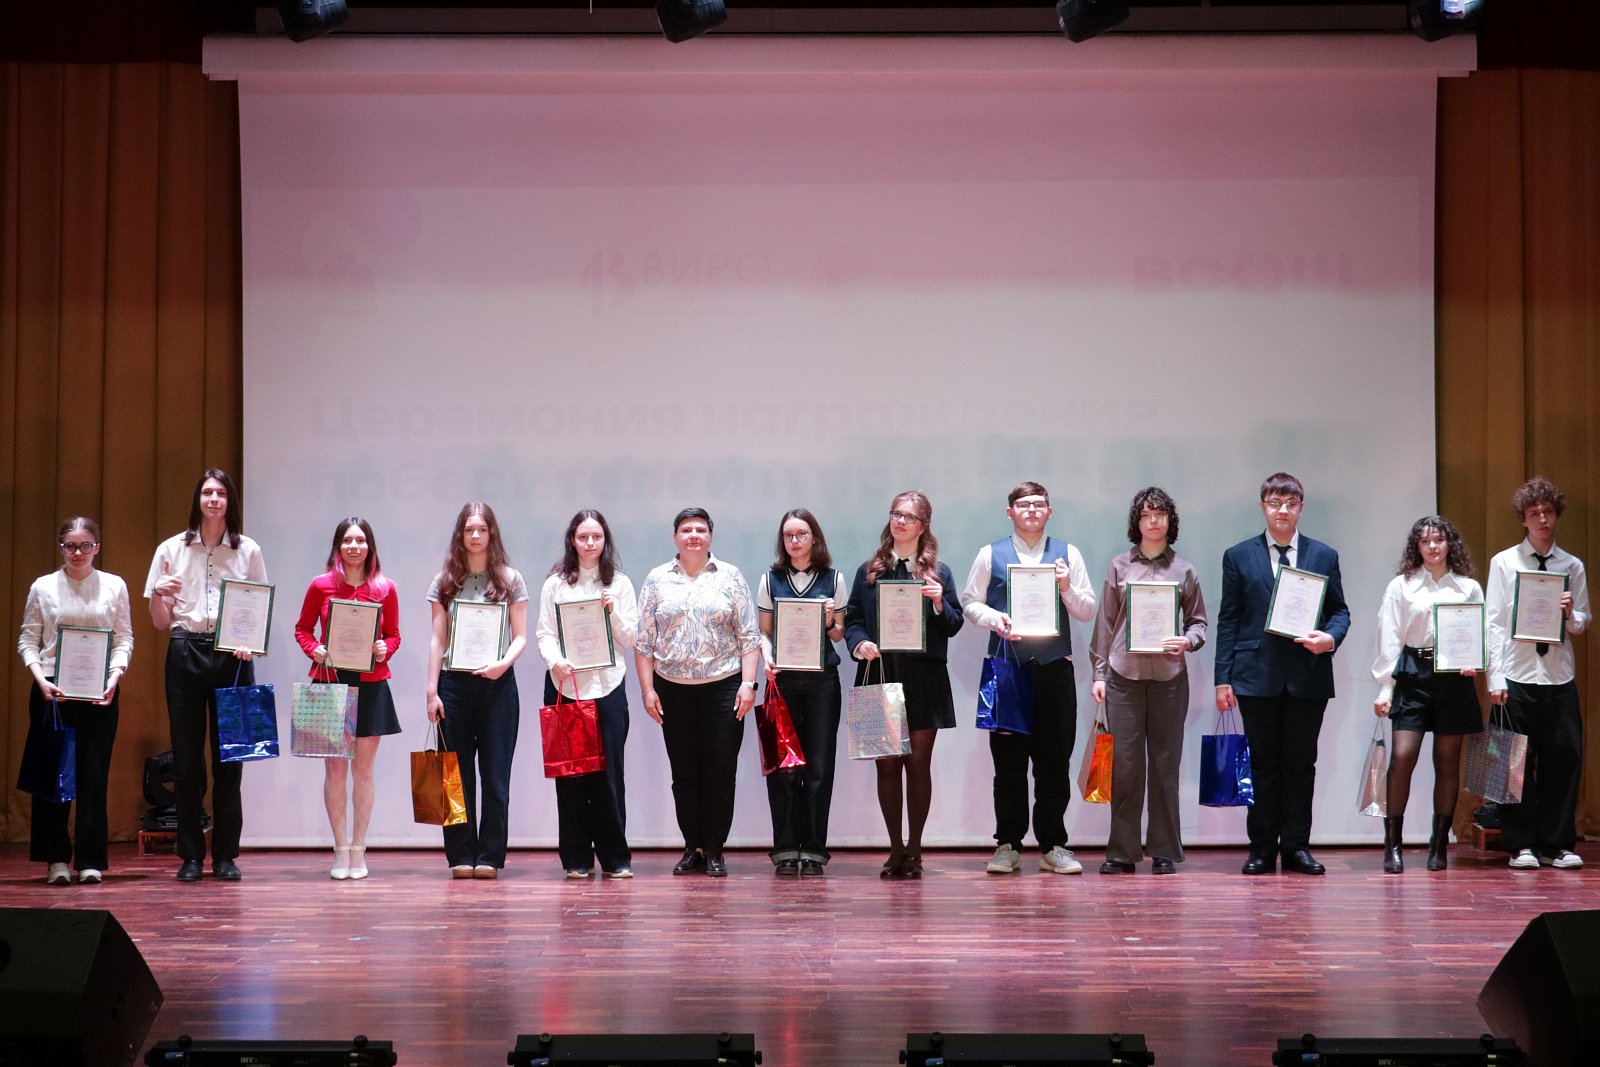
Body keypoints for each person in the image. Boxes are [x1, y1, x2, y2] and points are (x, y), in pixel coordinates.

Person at [1214, 472, 1349, 876]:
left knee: (1301, 765)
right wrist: (1223, 679)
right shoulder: (1239, 555)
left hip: (1308, 676)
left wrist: (1329, 638)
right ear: (1263, 507)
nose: (1283, 510)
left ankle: (1296, 848)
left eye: (1290, 503)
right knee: (1262, 765)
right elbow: (1229, 619)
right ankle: (1261, 848)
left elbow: (1339, 611)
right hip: (1255, 676)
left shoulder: (1324, 555)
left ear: (1301, 507)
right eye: (1275, 503)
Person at [959, 481, 1096, 877]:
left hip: (1055, 670)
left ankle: (1053, 845)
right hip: (1007, 669)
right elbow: (970, 602)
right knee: (1009, 764)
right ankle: (1008, 845)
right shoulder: (990, 553)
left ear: (1049, 511)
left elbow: (1086, 610)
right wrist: (995, 619)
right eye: (1024, 504)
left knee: (1054, 763)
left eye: (1039, 504)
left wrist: (1066, 587)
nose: (1032, 510)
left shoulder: (1068, 554)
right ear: (1010, 512)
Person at [145, 469, 268, 882]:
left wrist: (249, 641)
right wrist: (159, 593)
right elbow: (159, 621)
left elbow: (258, 606)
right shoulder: (170, 549)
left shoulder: (248, 549)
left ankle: (226, 855)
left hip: (233, 657)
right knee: (186, 761)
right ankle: (191, 856)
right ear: (198, 499)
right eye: (207, 493)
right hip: (185, 651)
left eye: (221, 493)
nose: (214, 499)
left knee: (231, 759)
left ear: (230, 501)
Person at [844, 490, 964, 879]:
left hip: (924, 676)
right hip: (880, 671)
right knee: (886, 765)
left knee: (917, 764)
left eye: (909, 517)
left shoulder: (939, 573)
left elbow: (954, 624)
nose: (900, 521)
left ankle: (915, 851)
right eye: (896, 514)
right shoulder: (870, 570)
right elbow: (853, 618)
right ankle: (895, 849)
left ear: (923, 525)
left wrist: (938, 603)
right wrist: (859, 642)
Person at [635, 507, 761, 878]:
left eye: (700, 530)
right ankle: (693, 847)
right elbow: (644, 642)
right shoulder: (657, 579)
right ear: (675, 537)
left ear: (710, 536)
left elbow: (749, 636)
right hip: (672, 690)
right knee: (685, 773)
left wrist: (748, 684)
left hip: (724, 688)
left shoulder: (730, 576)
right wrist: (647, 690)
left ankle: (715, 849)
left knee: (720, 771)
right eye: (686, 530)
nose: (693, 536)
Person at [1088, 487, 1207, 875]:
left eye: (1160, 514)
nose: (1153, 521)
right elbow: (1105, 625)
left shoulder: (1184, 570)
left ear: (1170, 521)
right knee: (1125, 767)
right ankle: (1122, 852)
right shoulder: (1119, 566)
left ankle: (1164, 851)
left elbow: (1199, 622)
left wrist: (1187, 641)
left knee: (1165, 766)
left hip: (1170, 679)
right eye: (1146, 515)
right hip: (1124, 677)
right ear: (1136, 522)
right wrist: (1099, 673)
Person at [17, 518, 134, 885]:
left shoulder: (114, 585)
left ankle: (90, 860)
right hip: (52, 691)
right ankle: (55, 860)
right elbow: (28, 639)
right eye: (70, 545)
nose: (78, 552)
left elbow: (124, 639)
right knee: (52, 778)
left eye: (85, 545)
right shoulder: (43, 586)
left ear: (97, 547)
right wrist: (40, 679)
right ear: (61, 547)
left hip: (100, 692)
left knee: (93, 776)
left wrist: (114, 678)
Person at [1486, 476, 1591, 870]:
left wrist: (1571, 613)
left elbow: (1582, 622)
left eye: (1548, 512)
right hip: (1516, 674)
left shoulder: (1572, 565)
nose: (1543, 519)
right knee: (1513, 764)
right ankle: (1520, 845)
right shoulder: (1505, 562)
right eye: (1534, 513)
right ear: (1523, 519)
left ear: (1556, 515)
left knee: (1564, 760)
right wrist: (1495, 677)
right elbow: (1494, 622)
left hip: (1558, 676)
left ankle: (1556, 844)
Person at [1370, 516, 1483, 873]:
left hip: (1454, 678)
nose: (1433, 547)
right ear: (1416, 547)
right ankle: (1393, 844)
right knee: (1402, 756)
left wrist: (1473, 659)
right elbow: (1389, 636)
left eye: (1439, 540)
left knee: (1447, 762)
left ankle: (1439, 844)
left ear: (1450, 544)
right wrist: (1386, 686)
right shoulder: (1401, 586)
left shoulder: (1467, 587)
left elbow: (1478, 633)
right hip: (1412, 674)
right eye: (1425, 541)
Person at [293, 517, 403, 881]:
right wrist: (315, 649)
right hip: (329, 681)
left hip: (372, 683)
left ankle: (359, 848)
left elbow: (394, 635)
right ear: (338, 547)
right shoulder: (320, 585)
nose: (354, 547)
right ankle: (339, 849)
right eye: (347, 541)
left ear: (370, 547)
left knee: (364, 770)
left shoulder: (385, 588)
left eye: (360, 540)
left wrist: (386, 648)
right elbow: (302, 629)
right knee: (334, 769)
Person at [425, 502, 529, 879]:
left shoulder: (510, 579)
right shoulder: (445, 581)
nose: (474, 536)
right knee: (454, 776)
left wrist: (502, 664)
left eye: (481, 529)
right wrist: (432, 691)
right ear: (461, 534)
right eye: (469, 529)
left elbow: (520, 637)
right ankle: (460, 854)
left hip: (498, 687)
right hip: (453, 686)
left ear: (491, 533)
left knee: (496, 778)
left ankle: (490, 855)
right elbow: (438, 640)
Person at [535, 509, 639, 879]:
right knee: (571, 776)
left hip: (608, 686)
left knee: (609, 776)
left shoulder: (620, 584)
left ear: (605, 541)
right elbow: (545, 633)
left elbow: (631, 638)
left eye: (596, 537)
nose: (590, 543)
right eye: (583, 537)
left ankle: (615, 859)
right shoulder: (555, 585)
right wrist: (556, 661)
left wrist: (613, 612)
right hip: (566, 686)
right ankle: (576, 858)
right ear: (573, 541)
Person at [757, 508, 847, 876]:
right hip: (782, 681)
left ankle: (812, 850)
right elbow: (764, 632)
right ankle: (784, 849)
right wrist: (766, 658)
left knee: (819, 767)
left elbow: (838, 634)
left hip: (822, 681)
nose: (794, 541)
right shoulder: (770, 579)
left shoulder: (834, 578)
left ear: (814, 538)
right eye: (788, 535)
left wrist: (829, 620)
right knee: (783, 767)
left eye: (801, 534)